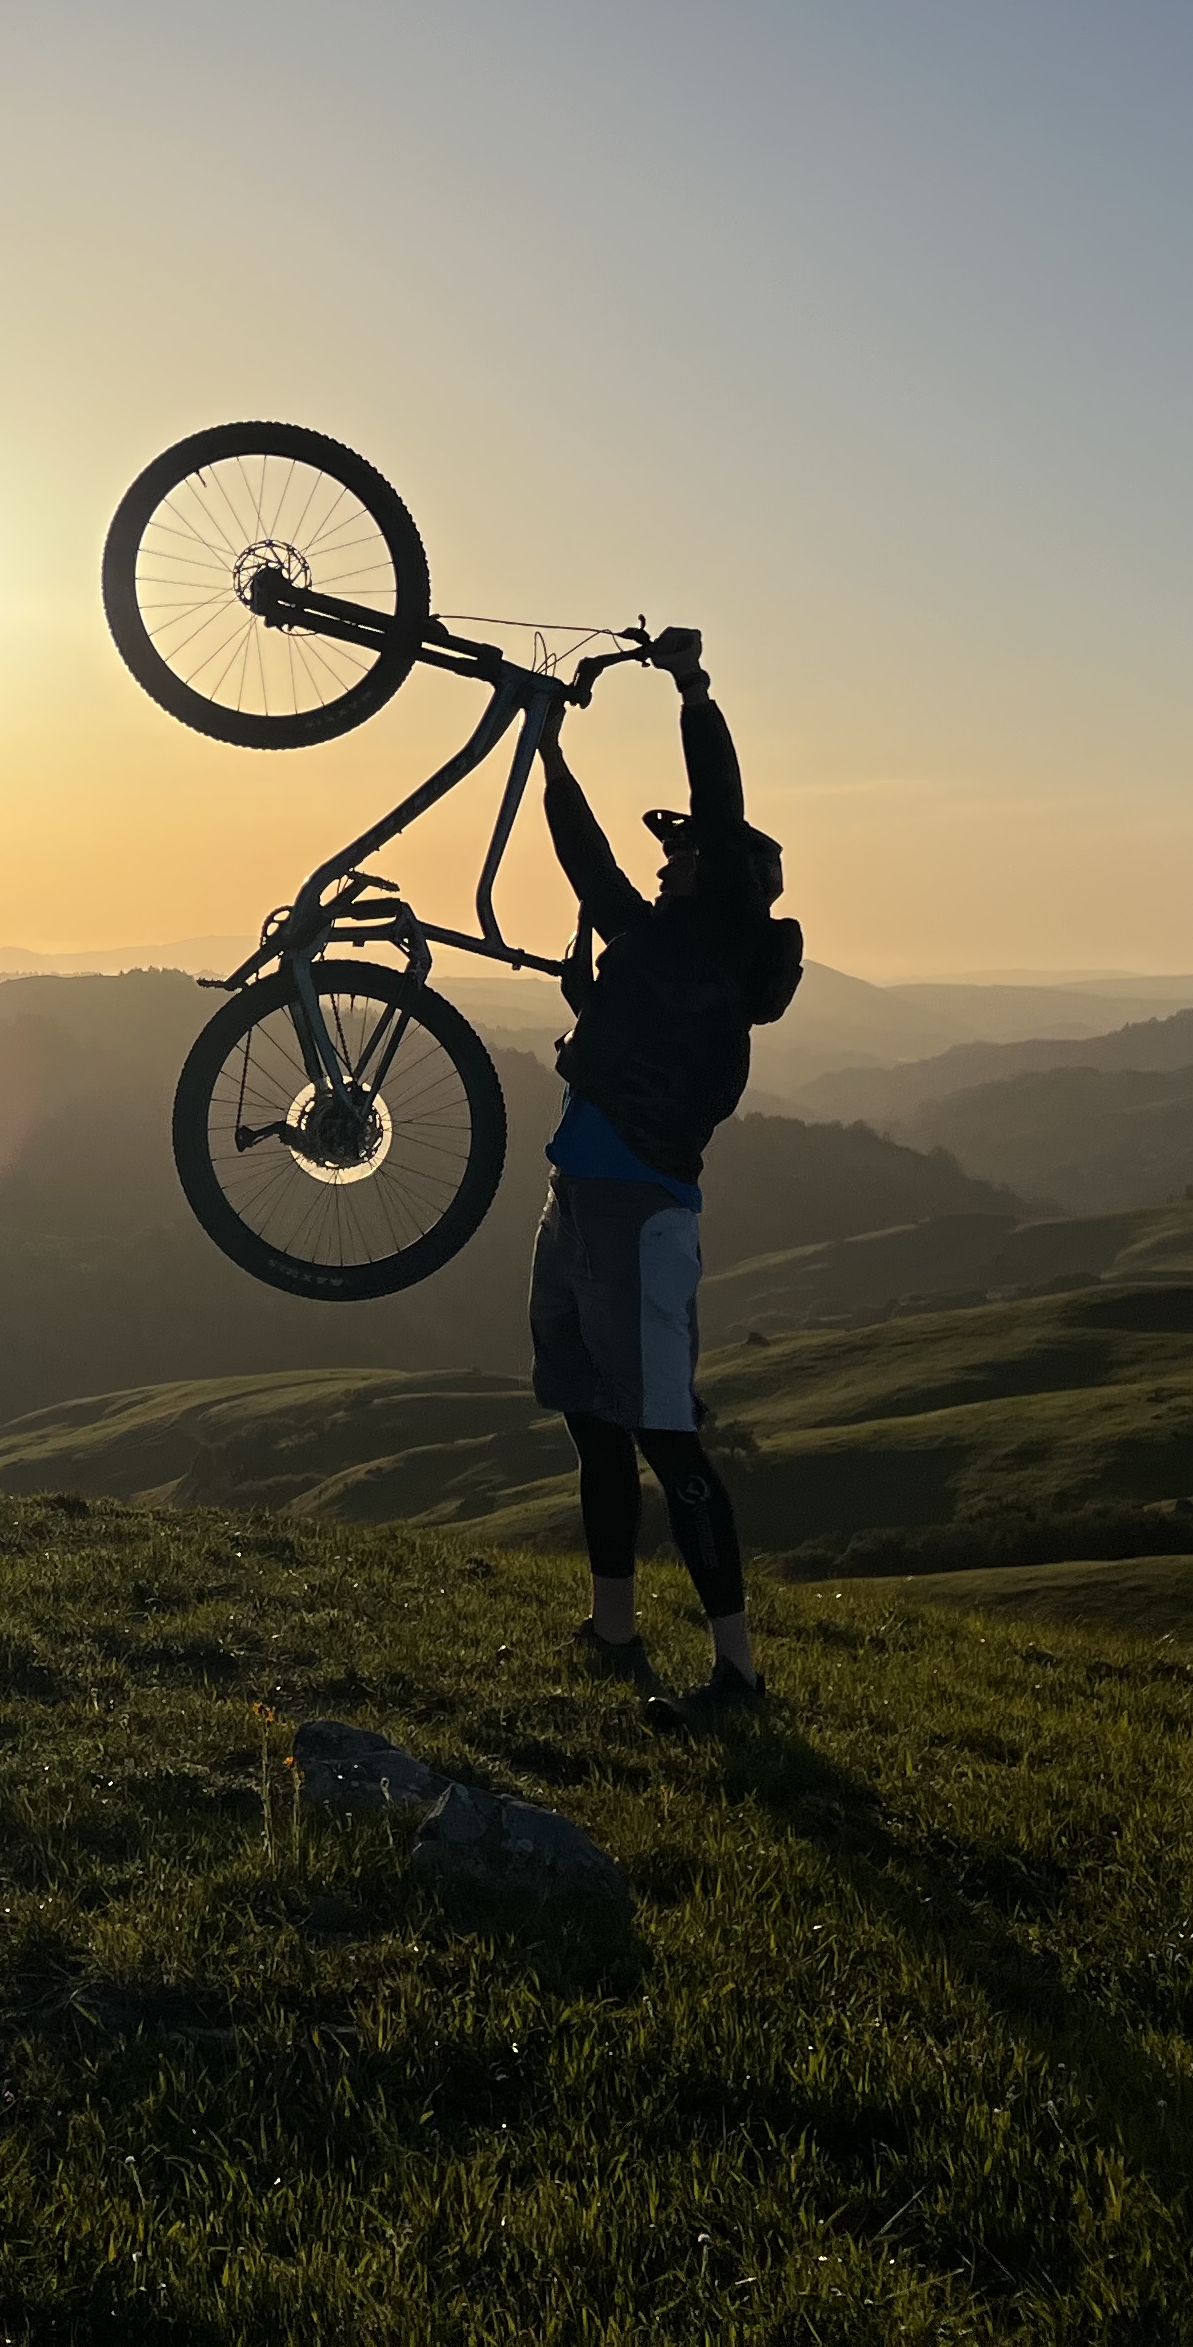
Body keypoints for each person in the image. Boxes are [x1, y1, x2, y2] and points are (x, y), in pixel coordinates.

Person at [527, 625, 799, 1715]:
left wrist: (693, 688)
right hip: (577, 1205)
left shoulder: (724, 940)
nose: (665, 859)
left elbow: (719, 801)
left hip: (639, 1220)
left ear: (729, 876)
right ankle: (612, 1626)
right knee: (594, 1425)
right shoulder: (651, 942)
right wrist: (546, 755)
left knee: (668, 1441)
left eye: (682, 852)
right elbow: (586, 862)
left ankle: (737, 1674)